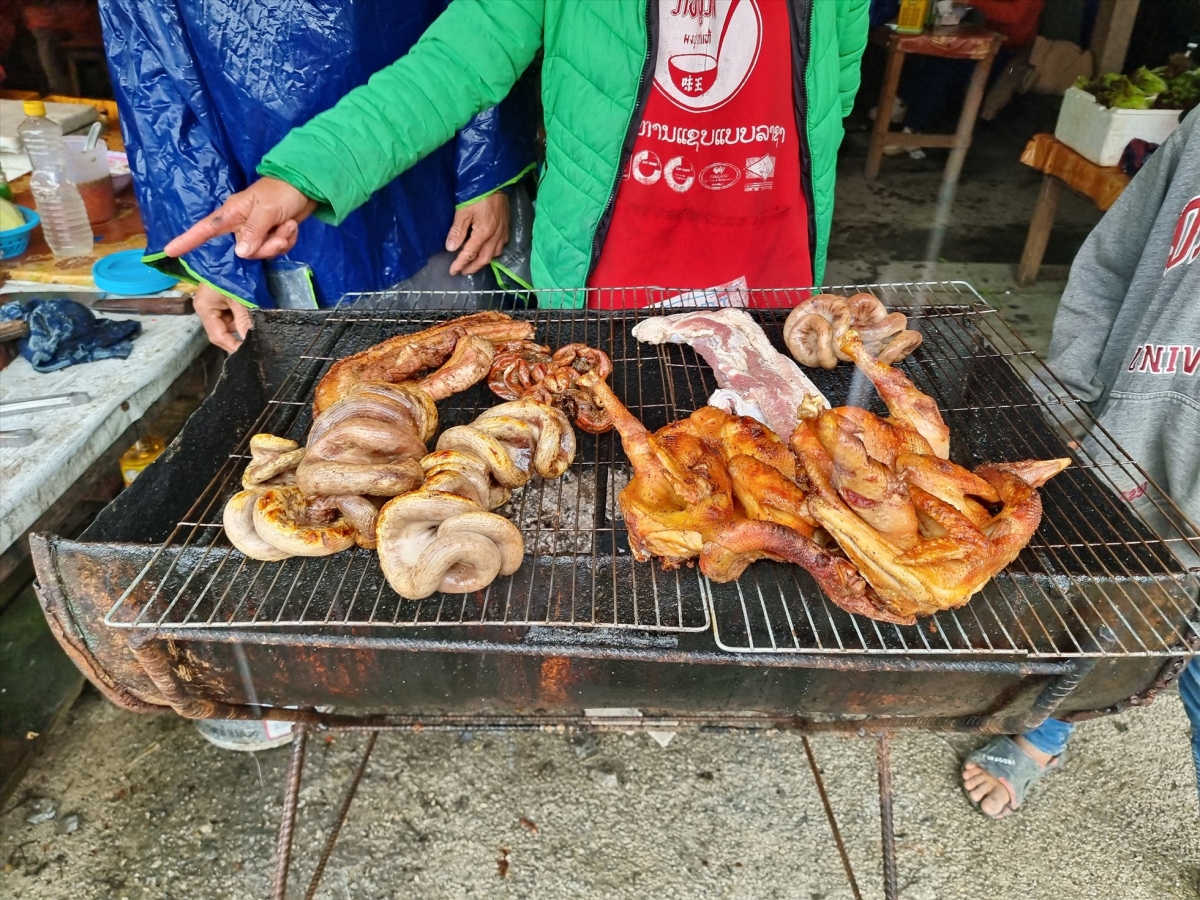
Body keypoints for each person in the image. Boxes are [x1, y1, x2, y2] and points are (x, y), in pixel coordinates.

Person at [165, 0, 871, 307]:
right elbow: (451, 66)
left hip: (769, 260)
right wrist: (303, 176)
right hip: (610, 272)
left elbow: (838, 81)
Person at [961, 107, 1200, 819]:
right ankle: (1047, 730)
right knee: (1103, 603)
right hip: (1135, 430)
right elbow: (1111, 264)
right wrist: (1073, 396)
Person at [101, 0, 536, 352]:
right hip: (268, 210)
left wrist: (487, 172)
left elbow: (479, 41)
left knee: (474, 363)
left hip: (433, 188)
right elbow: (153, 91)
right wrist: (217, 265)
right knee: (332, 411)